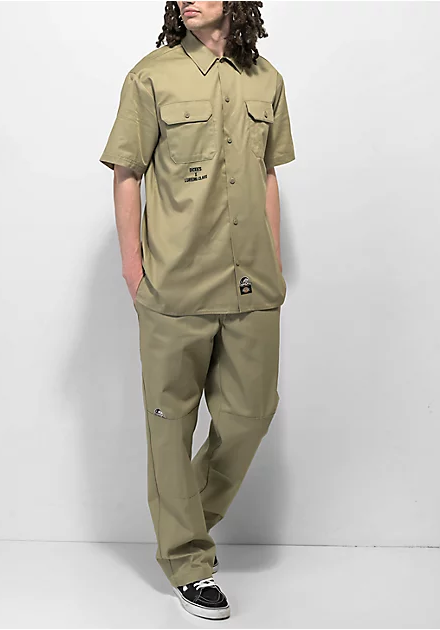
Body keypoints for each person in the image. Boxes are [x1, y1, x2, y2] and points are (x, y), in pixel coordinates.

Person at [99, 0, 295, 620]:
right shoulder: (150, 75)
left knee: (251, 414)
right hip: (175, 287)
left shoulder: (266, 79)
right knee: (170, 425)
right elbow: (126, 172)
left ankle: (178, 521)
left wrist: (273, 262)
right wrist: (134, 268)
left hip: (251, 285)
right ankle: (187, 561)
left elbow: (268, 175)